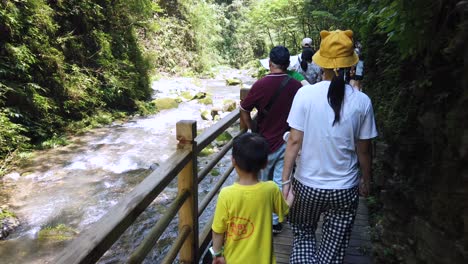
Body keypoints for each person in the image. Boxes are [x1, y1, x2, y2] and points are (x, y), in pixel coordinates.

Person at [281, 30, 378, 263]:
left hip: (306, 185)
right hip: (344, 190)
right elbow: (364, 150)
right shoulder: (362, 101)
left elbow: (293, 141)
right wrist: (366, 180)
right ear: (350, 66)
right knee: (333, 249)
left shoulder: (305, 95)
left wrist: (285, 182)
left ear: (320, 62)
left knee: (303, 234)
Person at [240, 45, 302, 234]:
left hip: (263, 143)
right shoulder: (296, 86)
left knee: (261, 181)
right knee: (279, 181)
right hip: (288, 141)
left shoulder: (260, 84)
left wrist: (251, 128)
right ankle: (275, 221)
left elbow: (244, 109)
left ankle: (261, 218)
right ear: (288, 65)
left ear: (269, 63)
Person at [210, 133, 292, 264]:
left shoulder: (226, 194)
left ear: (233, 161)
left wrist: (217, 253)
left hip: (233, 259)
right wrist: (290, 197)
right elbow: (284, 210)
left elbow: (218, 230)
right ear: (265, 163)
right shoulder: (271, 189)